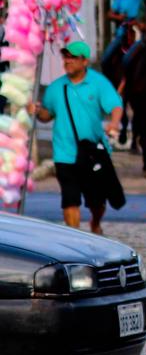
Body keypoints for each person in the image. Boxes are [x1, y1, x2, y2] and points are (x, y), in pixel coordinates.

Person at [37, 40, 124, 234]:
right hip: (64, 153)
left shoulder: (98, 83)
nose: (68, 61)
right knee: (70, 199)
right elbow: (46, 115)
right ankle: (75, 237)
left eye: (73, 58)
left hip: (92, 153)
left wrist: (114, 123)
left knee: (97, 201)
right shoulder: (56, 87)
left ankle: (95, 223)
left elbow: (115, 105)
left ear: (85, 61)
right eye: (65, 57)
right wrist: (37, 111)